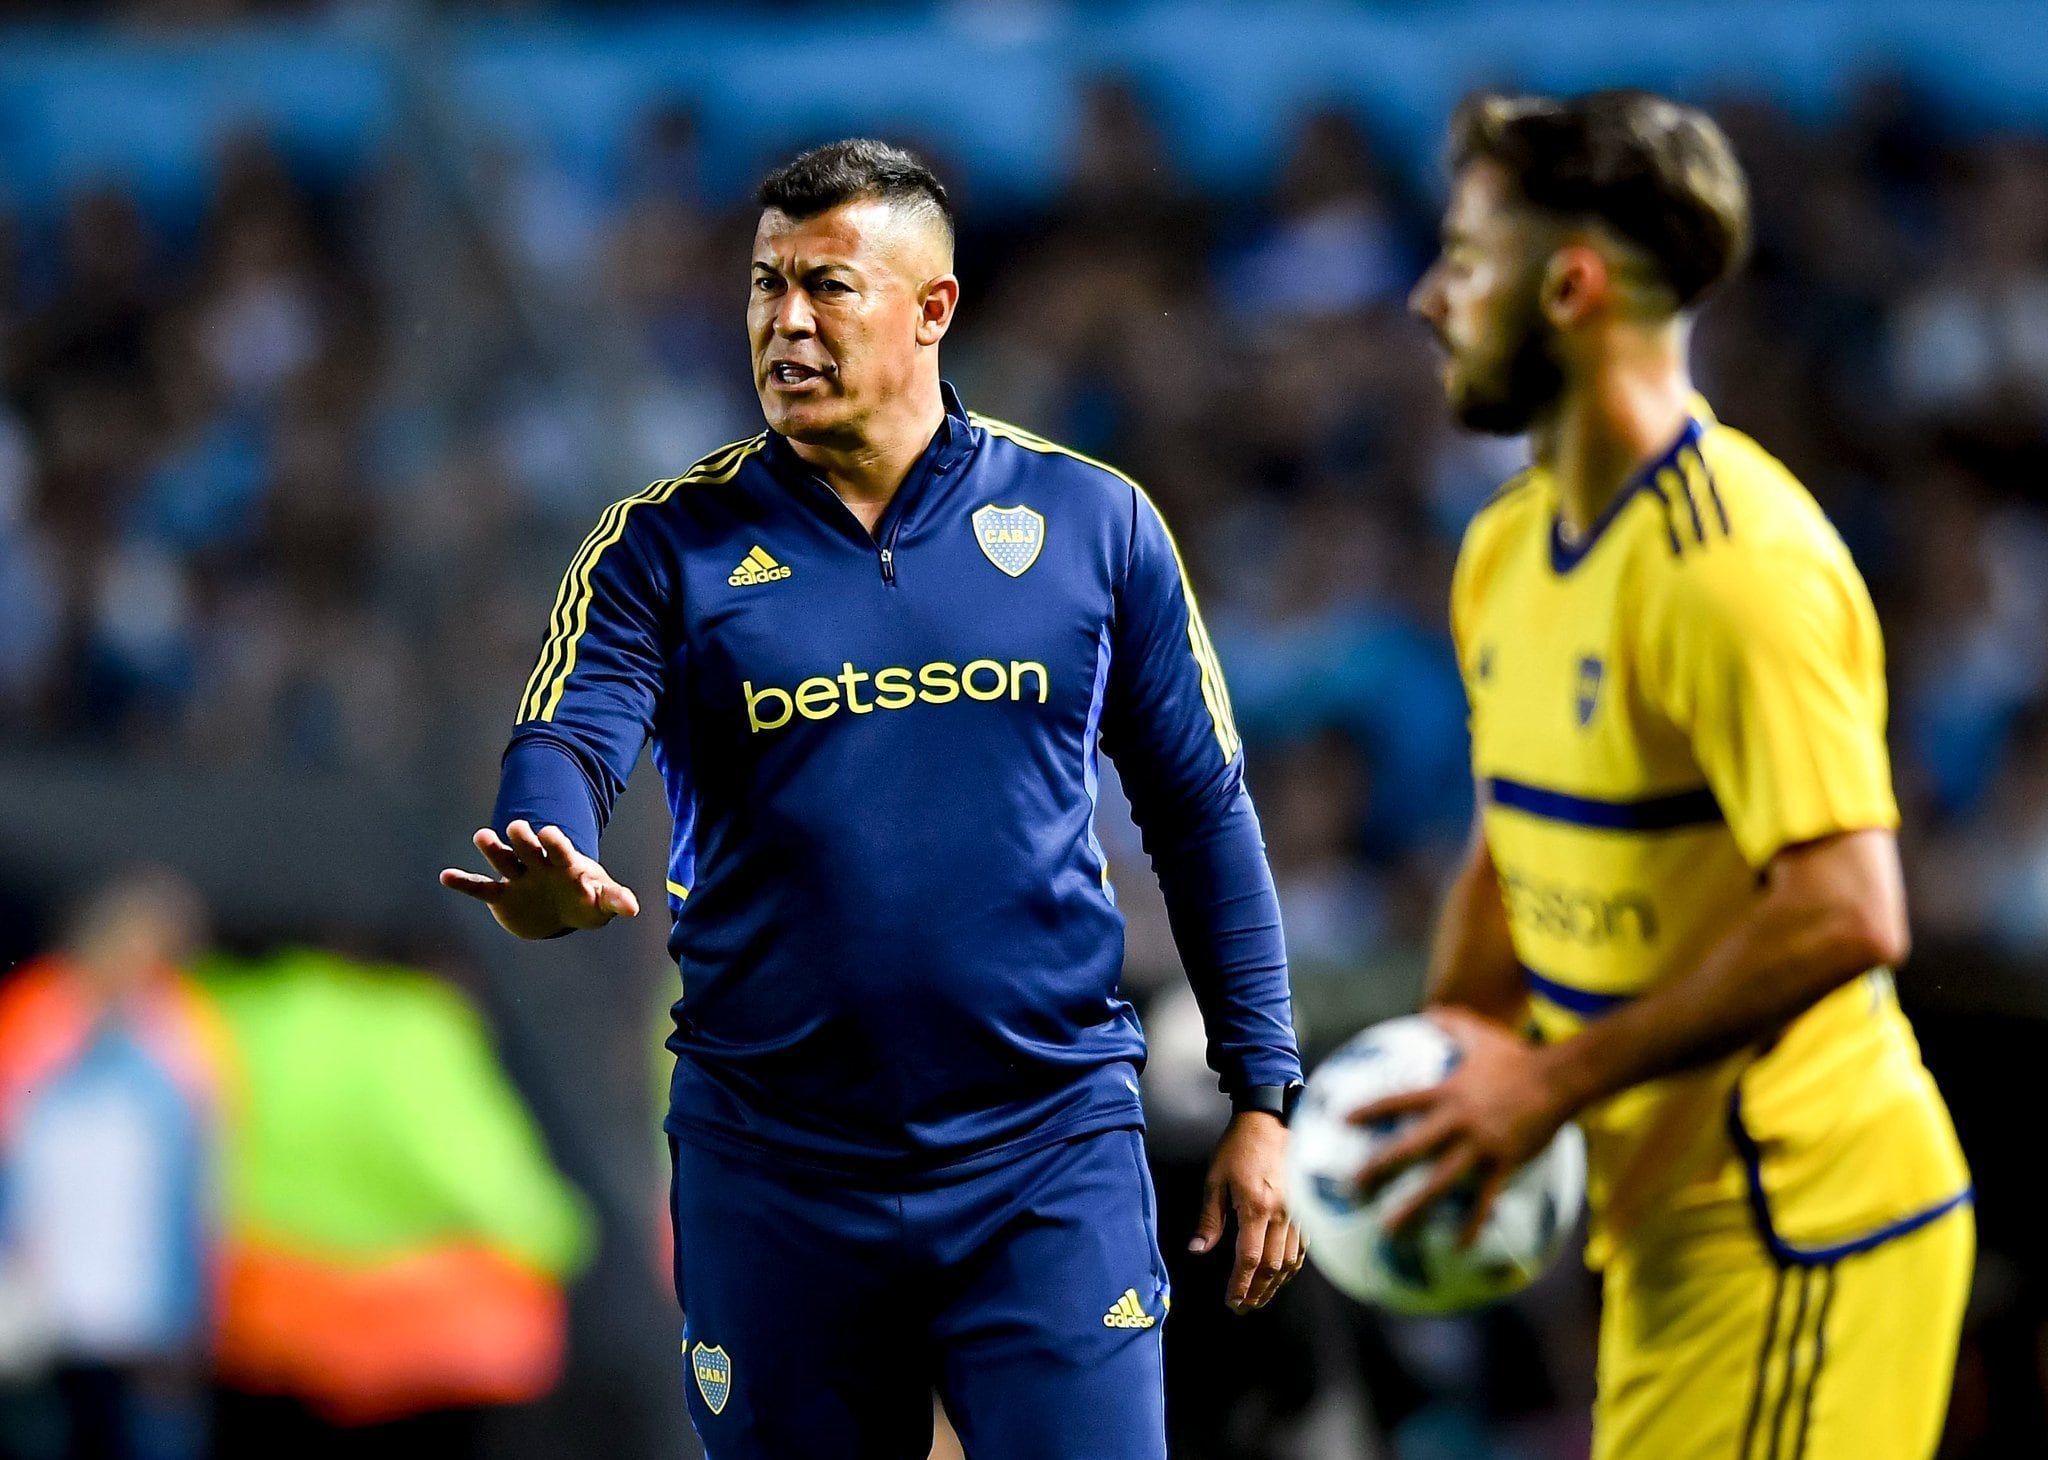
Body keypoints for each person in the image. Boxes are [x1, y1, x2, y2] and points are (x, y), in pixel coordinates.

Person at [441, 138, 1306, 1460]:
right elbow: (568, 727)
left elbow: (1200, 815)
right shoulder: (663, 546)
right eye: (764, 286)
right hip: (776, 1165)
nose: (785, 321)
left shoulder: (1094, 524)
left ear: (932, 309)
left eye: (828, 287)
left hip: (1044, 1151)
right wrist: (545, 844)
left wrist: (1263, 1096)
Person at [1358, 90, 1974, 1459]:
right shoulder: (1504, 548)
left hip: (1803, 1225)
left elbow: (1851, 908)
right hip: (1665, 1236)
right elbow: (1516, 838)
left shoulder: (1737, 566)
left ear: (1570, 286)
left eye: (1464, 255)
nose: (1425, 297)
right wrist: (1457, 1042)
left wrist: (1550, 1084)